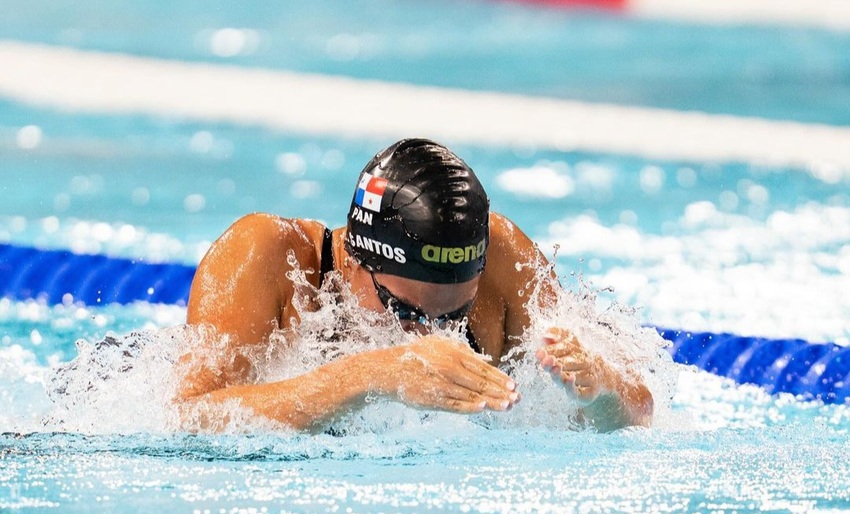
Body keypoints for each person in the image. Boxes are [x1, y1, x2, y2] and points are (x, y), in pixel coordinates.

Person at [177, 138, 653, 433]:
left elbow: (639, 411)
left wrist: (605, 389)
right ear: (354, 261)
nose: (428, 337)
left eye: (453, 316)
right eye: (404, 311)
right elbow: (188, 420)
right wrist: (371, 376)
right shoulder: (269, 257)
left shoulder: (502, 260)